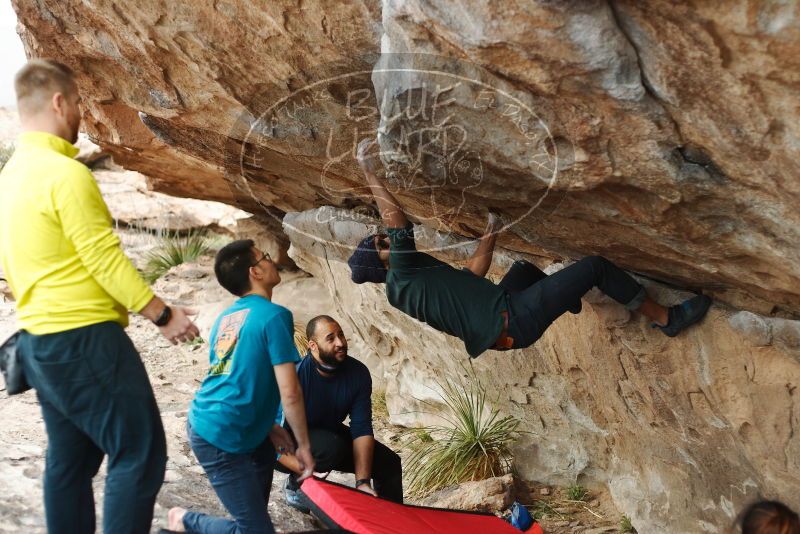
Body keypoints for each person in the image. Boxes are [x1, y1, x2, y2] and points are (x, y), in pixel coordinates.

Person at [0, 59, 199, 534]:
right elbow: (104, 260)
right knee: (140, 452)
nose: (80, 117)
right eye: (78, 106)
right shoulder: (65, 175)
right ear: (59, 102)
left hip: (39, 344)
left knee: (72, 459)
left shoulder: (8, 179)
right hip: (84, 339)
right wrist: (163, 313)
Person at [347, 139, 712, 358]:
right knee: (594, 267)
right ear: (382, 261)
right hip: (514, 321)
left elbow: (474, 274)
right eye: (382, 242)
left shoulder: (407, 287)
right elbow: (398, 222)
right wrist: (368, 170)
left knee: (522, 270)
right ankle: (666, 319)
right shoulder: (403, 272)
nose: (387, 239)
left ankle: (563, 298)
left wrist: (492, 229)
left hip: (500, 322)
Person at [167, 240, 315, 534]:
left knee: (252, 519)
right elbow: (290, 391)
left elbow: (234, 375)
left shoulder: (228, 318)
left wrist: (270, 426)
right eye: (266, 257)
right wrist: (305, 447)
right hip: (220, 435)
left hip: (233, 426)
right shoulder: (275, 316)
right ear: (255, 272)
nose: (273, 261)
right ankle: (186, 521)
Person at [276, 315, 403, 511]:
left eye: (341, 335)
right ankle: (295, 486)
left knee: (389, 463)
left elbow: (361, 430)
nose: (340, 342)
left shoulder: (358, 374)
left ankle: (390, 522)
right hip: (285, 446)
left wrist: (362, 482)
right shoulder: (295, 377)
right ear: (313, 346)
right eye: (330, 338)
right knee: (331, 447)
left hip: (327, 435)